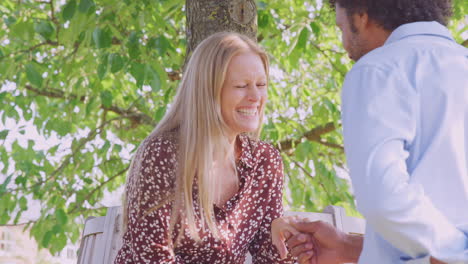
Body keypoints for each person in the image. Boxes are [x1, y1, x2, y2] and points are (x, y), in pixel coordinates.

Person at [272, 0, 468, 263]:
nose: (345, 46)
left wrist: (456, 256)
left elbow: (384, 197)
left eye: (342, 28)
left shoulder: (377, 69)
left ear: (361, 14)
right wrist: (348, 246)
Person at [114, 32, 295, 264]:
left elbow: (270, 257)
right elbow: (153, 258)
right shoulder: (161, 155)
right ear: (207, 91)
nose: (255, 96)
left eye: (261, 84)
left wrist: (291, 244)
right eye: (241, 86)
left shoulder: (264, 162)